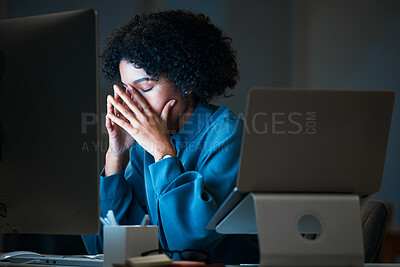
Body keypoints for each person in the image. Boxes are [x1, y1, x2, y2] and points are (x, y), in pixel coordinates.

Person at [82, 9, 259, 264]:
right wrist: (115, 158)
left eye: (145, 88)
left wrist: (163, 152)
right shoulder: (144, 146)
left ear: (186, 81)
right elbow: (105, 247)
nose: (134, 103)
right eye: (128, 91)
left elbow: (188, 247)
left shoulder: (226, 133)